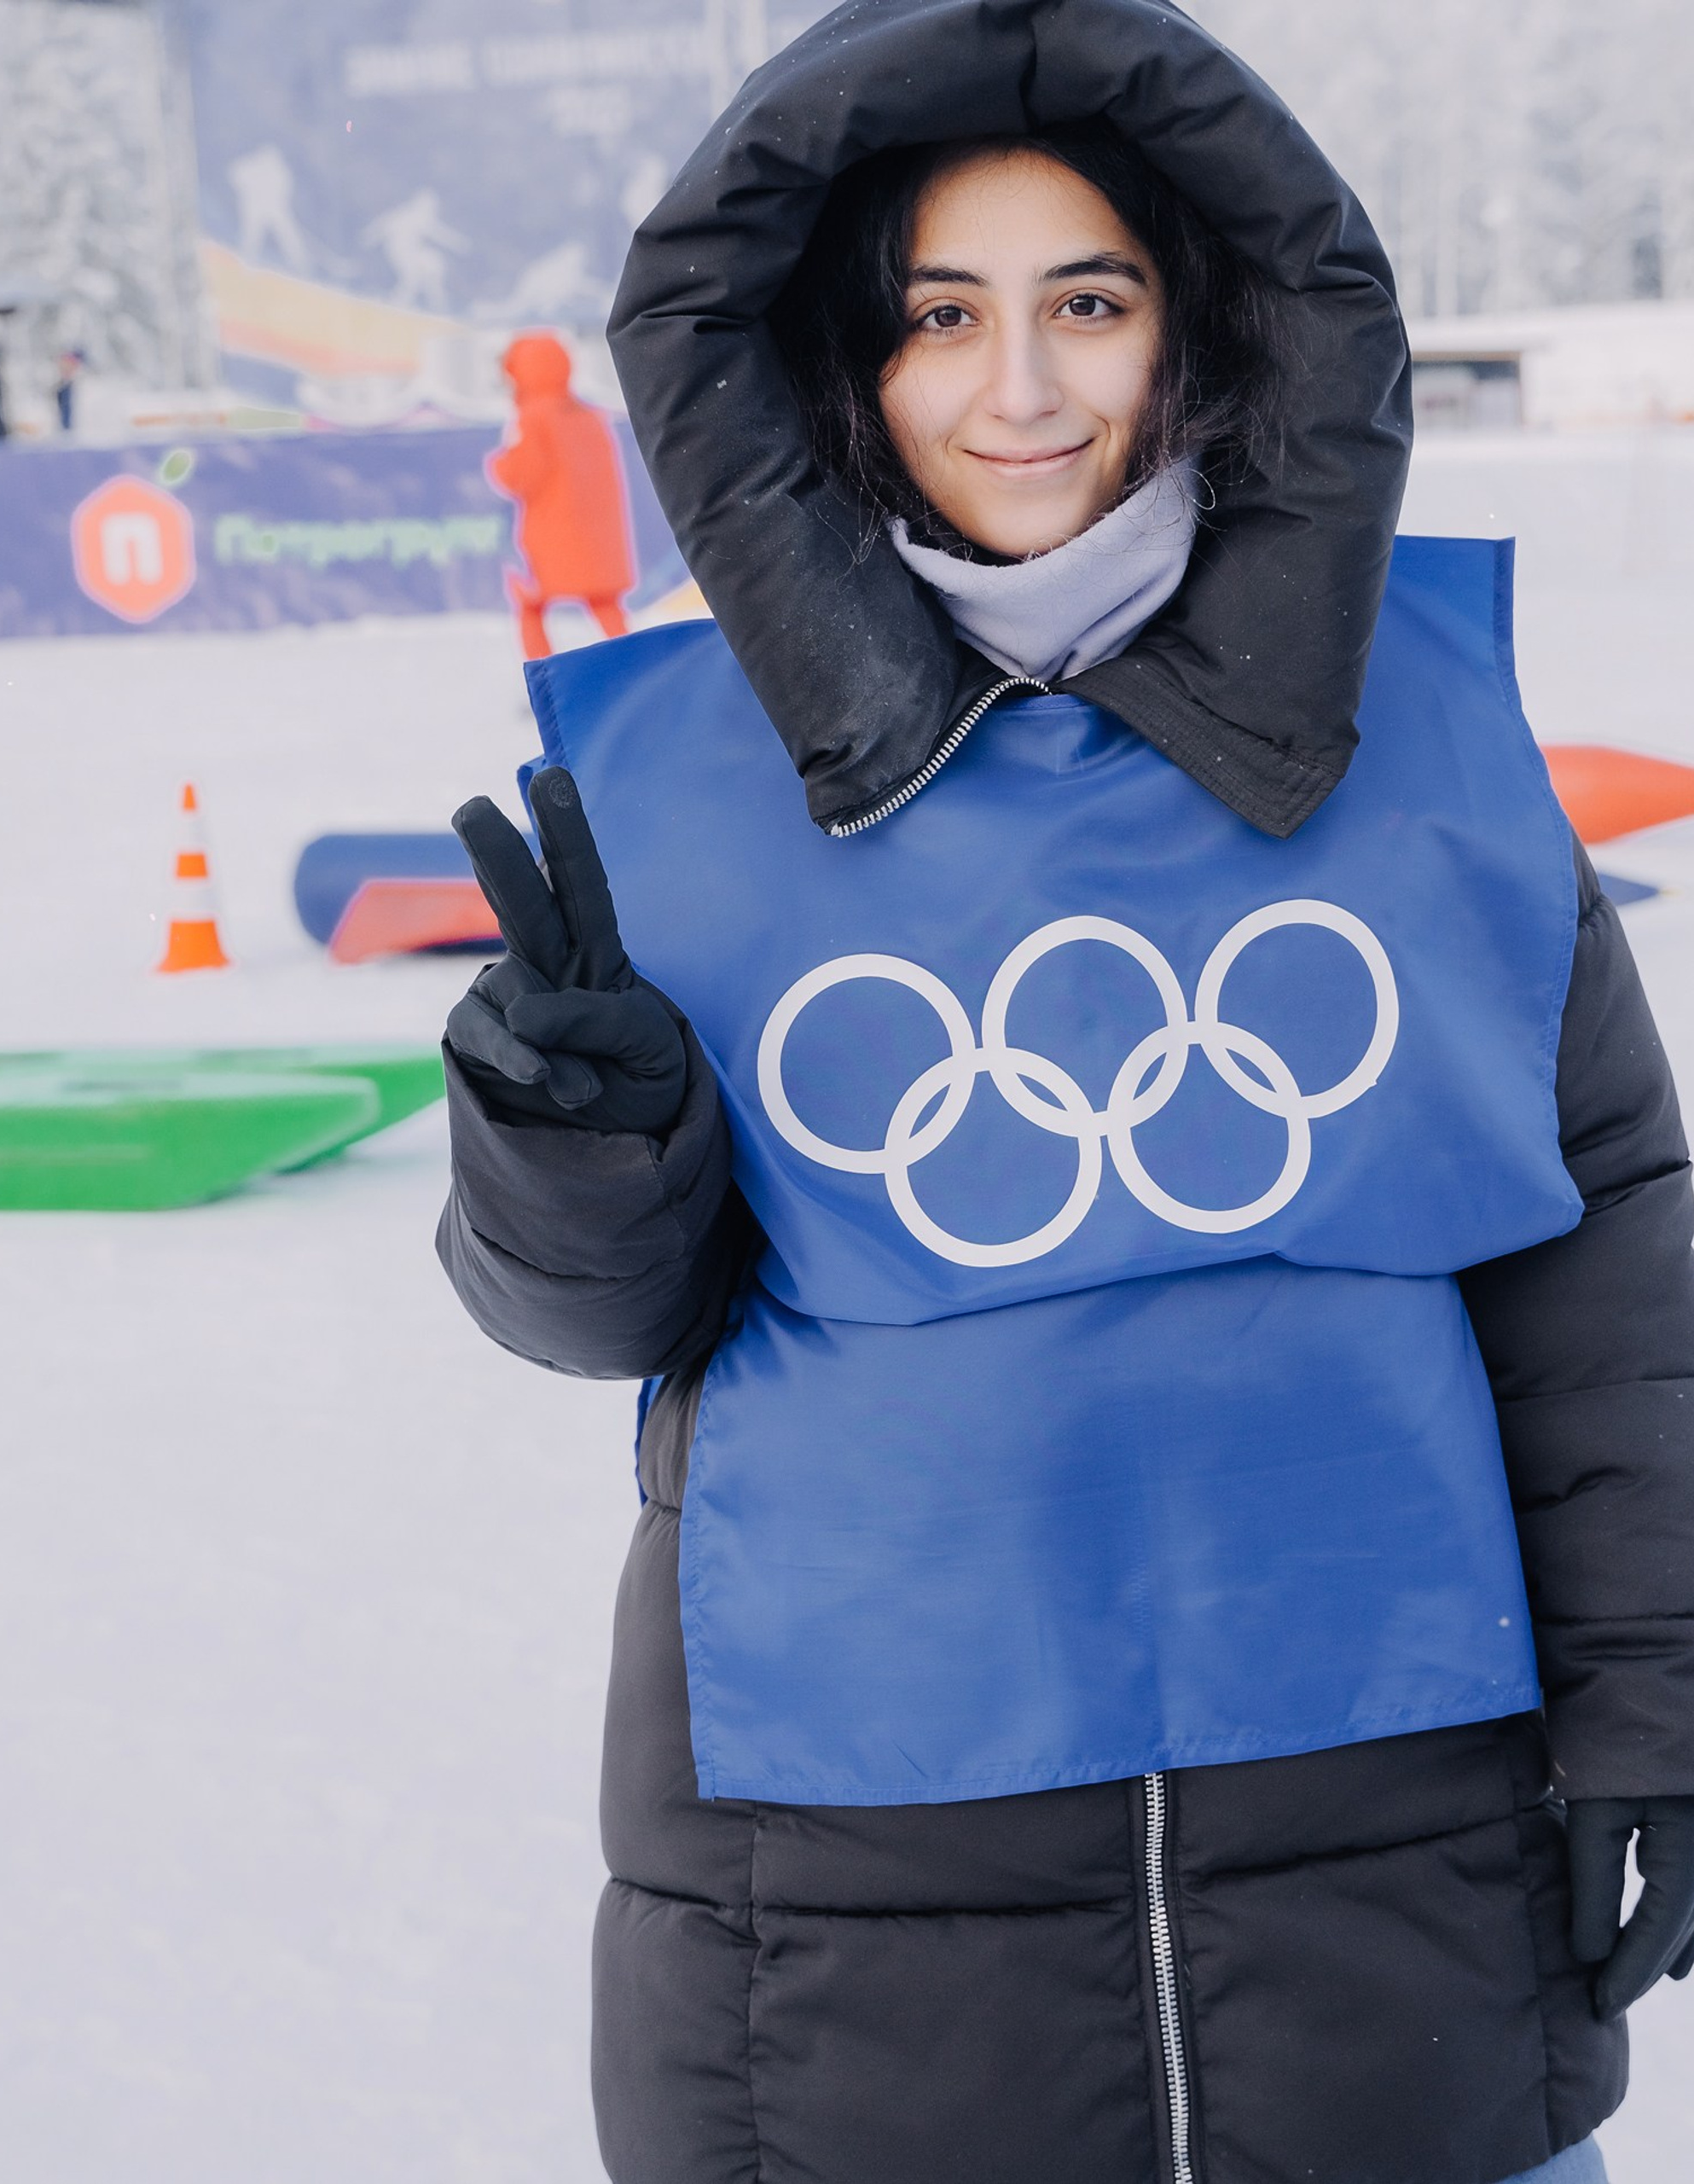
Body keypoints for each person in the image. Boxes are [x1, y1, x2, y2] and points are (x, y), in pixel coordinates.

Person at [435, 4, 1694, 2182]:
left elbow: (1600, 1249)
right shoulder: (675, 775)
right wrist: (572, 1146)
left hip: (1384, 1887)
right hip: (857, 1932)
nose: (1018, 388)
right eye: (942, 315)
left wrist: (1661, 1701)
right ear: (838, 351)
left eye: (1084, 302)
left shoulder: (1421, 737)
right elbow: (593, 1318)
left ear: (1192, 323)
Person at [485, 331, 635, 659]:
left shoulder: (531, 418)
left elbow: (521, 477)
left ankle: (544, 682)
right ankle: (637, 669)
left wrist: (498, 463)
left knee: (529, 605)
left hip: (550, 536)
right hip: (598, 537)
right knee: (605, 605)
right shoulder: (589, 416)